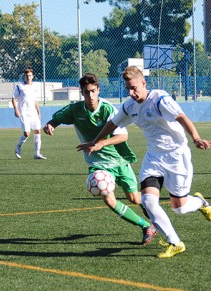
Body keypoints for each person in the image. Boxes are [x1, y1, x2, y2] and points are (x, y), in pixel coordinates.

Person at [77, 66, 211, 258]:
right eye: (128, 89)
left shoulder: (160, 99)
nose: (132, 93)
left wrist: (196, 138)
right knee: (149, 202)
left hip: (176, 156)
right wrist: (96, 141)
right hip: (154, 158)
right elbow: (113, 123)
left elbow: (181, 117)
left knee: (179, 207)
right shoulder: (129, 106)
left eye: (134, 88)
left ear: (144, 83)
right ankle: (174, 242)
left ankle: (199, 202)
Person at [43, 73, 157, 246]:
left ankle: (153, 215)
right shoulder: (75, 110)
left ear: (98, 90)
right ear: (82, 92)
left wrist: (99, 143)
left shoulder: (108, 109)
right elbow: (58, 118)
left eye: (93, 91)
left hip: (119, 160)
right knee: (109, 200)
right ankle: (146, 227)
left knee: (134, 199)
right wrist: (51, 124)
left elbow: (122, 137)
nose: (90, 96)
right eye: (86, 92)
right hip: (97, 164)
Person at [12, 68, 46, 160]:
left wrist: (38, 111)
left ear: (32, 76)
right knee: (27, 133)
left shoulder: (34, 87)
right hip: (23, 112)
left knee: (37, 131)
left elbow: (35, 100)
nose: (28, 77)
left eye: (30, 75)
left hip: (33, 112)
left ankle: (37, 154)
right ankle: (18, 146)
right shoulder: (20, 86)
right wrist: (16, 109)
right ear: (24, 76)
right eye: (27, 75)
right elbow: (13, 98)